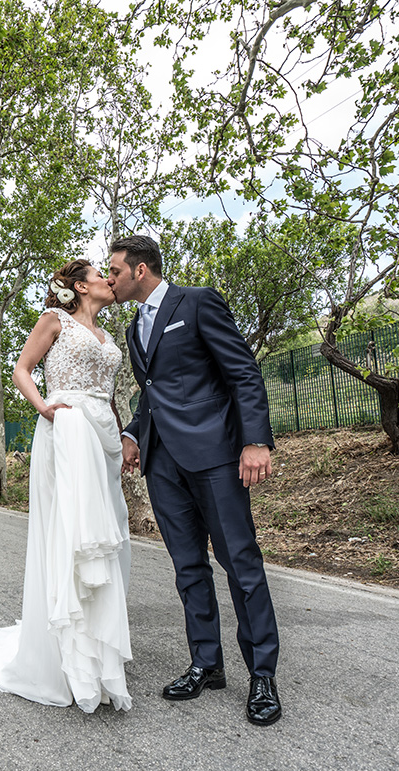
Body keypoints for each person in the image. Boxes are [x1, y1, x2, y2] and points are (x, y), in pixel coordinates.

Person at [107, 234, 283, 727]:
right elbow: (152, 394)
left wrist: (255, 441)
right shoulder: (133, 328)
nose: (109, 278)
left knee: (241, 565)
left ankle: (262, 675)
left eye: (115, 270)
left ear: (140, 270)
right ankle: (207, 663)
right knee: (188, 569)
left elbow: (243, 373)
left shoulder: (199, 301)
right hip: (162, 464)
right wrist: (132, 433)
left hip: (215, 457)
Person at [0, 259, 133, 713]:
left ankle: (95, 645)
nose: (109, 282)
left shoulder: (109, 338)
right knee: (69, 532)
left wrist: (120, 432)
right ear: (79, 286)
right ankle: (62, 656)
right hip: (67, 429)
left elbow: (107, 391)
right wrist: (44, 408)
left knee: (108, 533)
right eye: (100, 276)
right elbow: (21, 369)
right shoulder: (55, 321)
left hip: (102, 436)